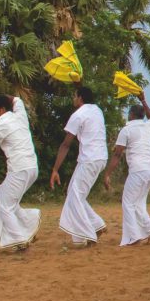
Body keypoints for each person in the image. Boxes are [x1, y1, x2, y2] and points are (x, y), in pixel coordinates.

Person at [50, 86, 108, 247]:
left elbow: (66, 144)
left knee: (75, 196)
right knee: (74, 194)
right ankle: (96, 225)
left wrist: (55, 169)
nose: (73, 99)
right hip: (99, 158)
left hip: (89, 159)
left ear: (80, 98)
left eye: (74, 96)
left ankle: (87, 234)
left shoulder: (78, 115)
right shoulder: (97, 110)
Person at [104, 91, 150, 246]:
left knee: (128, 203)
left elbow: (117, 155)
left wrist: (107, 174)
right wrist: (143, 99)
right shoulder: (148, 126)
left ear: (131, 114)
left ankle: (134, 237)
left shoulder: (127, 130)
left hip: (138, 171)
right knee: (138, 203)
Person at [0, 94, 41, 251]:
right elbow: (17, 99)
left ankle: (20, 239)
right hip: (31, 168)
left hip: (19, 170)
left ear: (2, 109)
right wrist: (0, 96)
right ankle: (29, 222)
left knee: (4, 206)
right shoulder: (19, 115)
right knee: (1, 195)